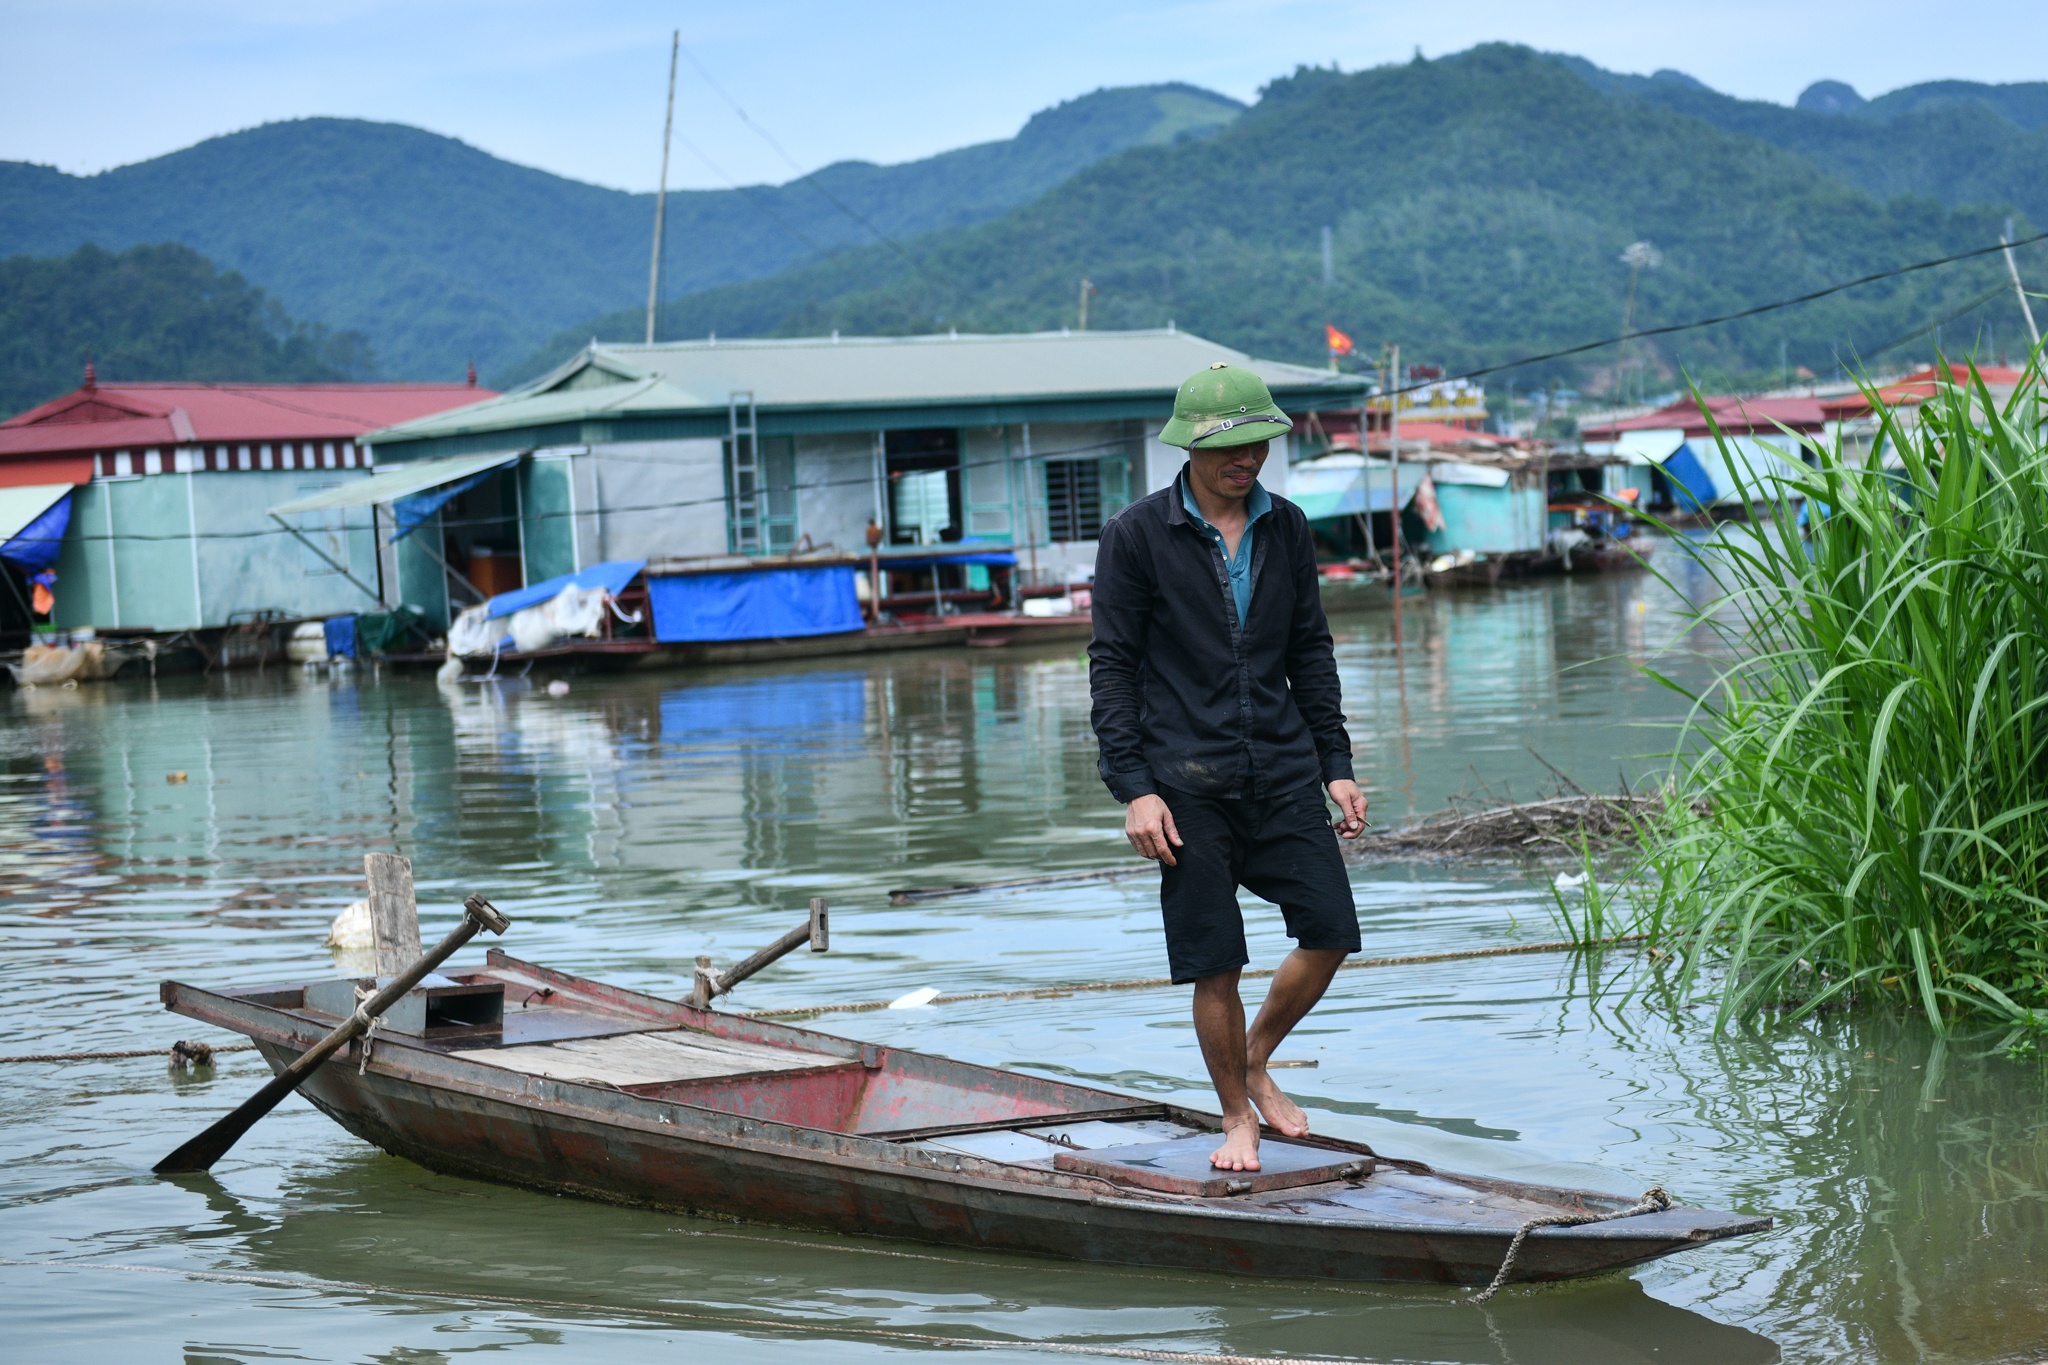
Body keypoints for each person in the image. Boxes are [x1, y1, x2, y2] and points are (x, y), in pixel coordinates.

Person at [1088, 362, 1367, 1173]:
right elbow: (1111, 668)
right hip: (1184, 782)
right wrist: (1135, 788)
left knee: (1331, 929)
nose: (1248, 459)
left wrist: (1336, 764)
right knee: (1216, 960)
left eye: (1259, 443)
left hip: (1281, 766)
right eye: (1232, 447)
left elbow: (1311, 651)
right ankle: (1237, 1115)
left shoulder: (1289, 528)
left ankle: (1252, 1057)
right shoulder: (1138, 536)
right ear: (1193, 449)